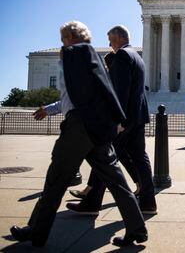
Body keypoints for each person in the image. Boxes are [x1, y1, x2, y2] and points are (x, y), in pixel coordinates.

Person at [9, 21, 147, 247]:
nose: (63, 43)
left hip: (79, 128)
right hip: (99, 129)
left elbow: (73, 95)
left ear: (69, 38)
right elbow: (107, 92)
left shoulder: (72, 53)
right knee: (117, 182)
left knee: (55, 181)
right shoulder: (95, 56)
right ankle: (137, 229)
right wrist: (117, 120)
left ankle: (36, 231)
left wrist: (69, 117)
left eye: (64, 38)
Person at [67, 25, 156, 215]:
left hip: (125, 119)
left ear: (119, 38)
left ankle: (92, 202)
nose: (109, 44)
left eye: (110, 40)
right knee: (140, 158)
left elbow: (120, 91)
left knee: (104, 156)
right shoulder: (137, 57)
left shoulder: (123, 56)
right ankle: (149, 202)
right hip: (138, 116)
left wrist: (118, 120)